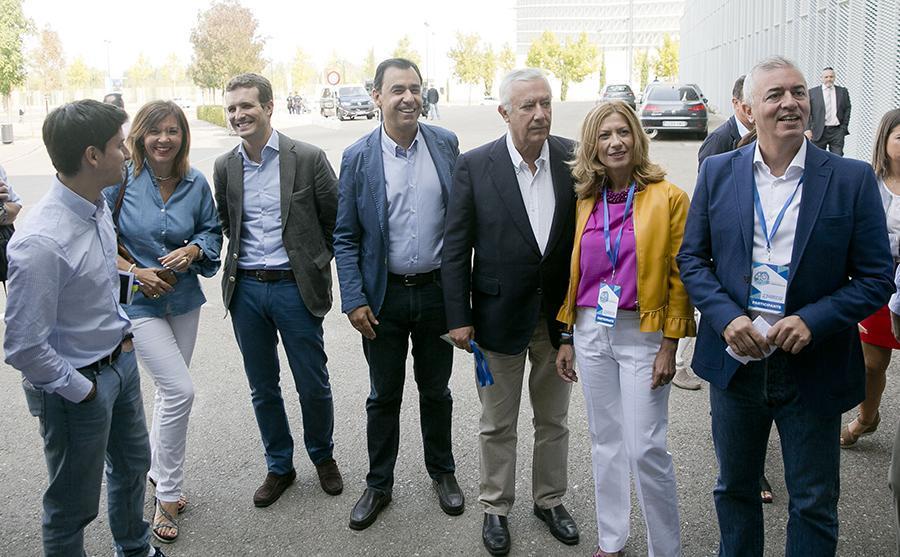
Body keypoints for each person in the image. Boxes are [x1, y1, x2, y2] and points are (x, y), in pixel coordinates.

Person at [677, 56, 894, 556]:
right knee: (735, 490)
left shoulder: (851, 178)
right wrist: (726, 318)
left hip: (813, 365)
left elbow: (876, 278)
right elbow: (692, 259)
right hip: (737, 364)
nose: (790, 102)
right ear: (749, 109)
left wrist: (813, 320)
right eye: (774, 94)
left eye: (798, 92)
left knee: (814, 502)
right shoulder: (718, 172)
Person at [3, 99, 167, 557]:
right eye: (119, 145)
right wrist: (83, 391)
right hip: (77, 388)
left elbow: (93, 280)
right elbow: (23, 346)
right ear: (92, 156)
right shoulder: (41, 241)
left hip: (119, 364)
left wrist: (132, 290)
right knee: (71, 506)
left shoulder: (94, 206)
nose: (128, 154)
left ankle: (134, 548)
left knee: (133, 468)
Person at [442, 68, 578, 556]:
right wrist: (458, 316)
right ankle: (495, 507)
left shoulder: (572, 157)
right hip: (497, 317)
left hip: (557, 318)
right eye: (528, 106)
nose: (540, 114)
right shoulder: (475, 165)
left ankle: (550, 500)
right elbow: (455, 247)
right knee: (497, 423)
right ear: (504, 112)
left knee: (554, 420)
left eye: (546, 103)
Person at [555, 101, 693, 557]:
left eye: (623, 132)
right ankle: (611, 539)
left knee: (644, 448)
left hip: (643, 332)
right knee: (605, 442)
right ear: (592, 145)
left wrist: (670, 345)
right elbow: (575, 273)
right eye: (605, 135)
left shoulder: (669, 198)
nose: (615, 142)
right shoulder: (584, 199)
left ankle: (665, 549)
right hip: (591, 328)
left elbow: (680, 277)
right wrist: (568, 336)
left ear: (637, 137)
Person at [334, 57, 464, 531]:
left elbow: (461, 223)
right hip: (383, 299)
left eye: (415, 88)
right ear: (377, 97)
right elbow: (345, 236)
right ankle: (378, 484)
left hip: (436, 295)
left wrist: (462, 300)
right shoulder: (357, 157)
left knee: (437, 391)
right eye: (397, 90)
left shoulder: (446, 144)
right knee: (383, 395)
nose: (408, 98)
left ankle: (442, 472)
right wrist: (354, 298)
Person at [213, 73, 343, 508]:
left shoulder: (306, 157)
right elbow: (228, 223)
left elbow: (335, 221)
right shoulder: (224, 166)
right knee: (262, 387)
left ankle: (322, 456)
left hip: (295, 288)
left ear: (269, 107)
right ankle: (279, 465)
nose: (239, 115)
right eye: (232, 108)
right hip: (247, 291)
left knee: (312, 382)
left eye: (246, 106)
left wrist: (314, 261)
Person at [102, 100, 222, 543]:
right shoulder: (120, 180)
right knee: (179, 391)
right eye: (155, 131)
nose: (163, 139)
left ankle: (155, 471)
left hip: (184, 300)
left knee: (169, 395)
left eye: (172, 130)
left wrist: (194, 250)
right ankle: (167, 493)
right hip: (138, 303)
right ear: (140, 135)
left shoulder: (195, 182)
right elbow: (100, 238)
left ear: (183, 136)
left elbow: (211, 230)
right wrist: (136, 272)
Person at [843, 108, 900, 448]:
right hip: (877, 276)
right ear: (885, 141)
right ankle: (867, 418)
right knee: (872, 363)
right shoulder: (868, 181)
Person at [804, 67, 851, 156]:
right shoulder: (812, 92)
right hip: (818, 131)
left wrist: (843, 128)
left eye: (831, 77)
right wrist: (807, 129)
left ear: (834, 77)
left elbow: (847, 109)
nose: (829, 79)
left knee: (838, 158)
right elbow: (807, 112)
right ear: (821, 78)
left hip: (837, 131)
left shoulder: (842, 92)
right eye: (826, 77)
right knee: (817, 158)